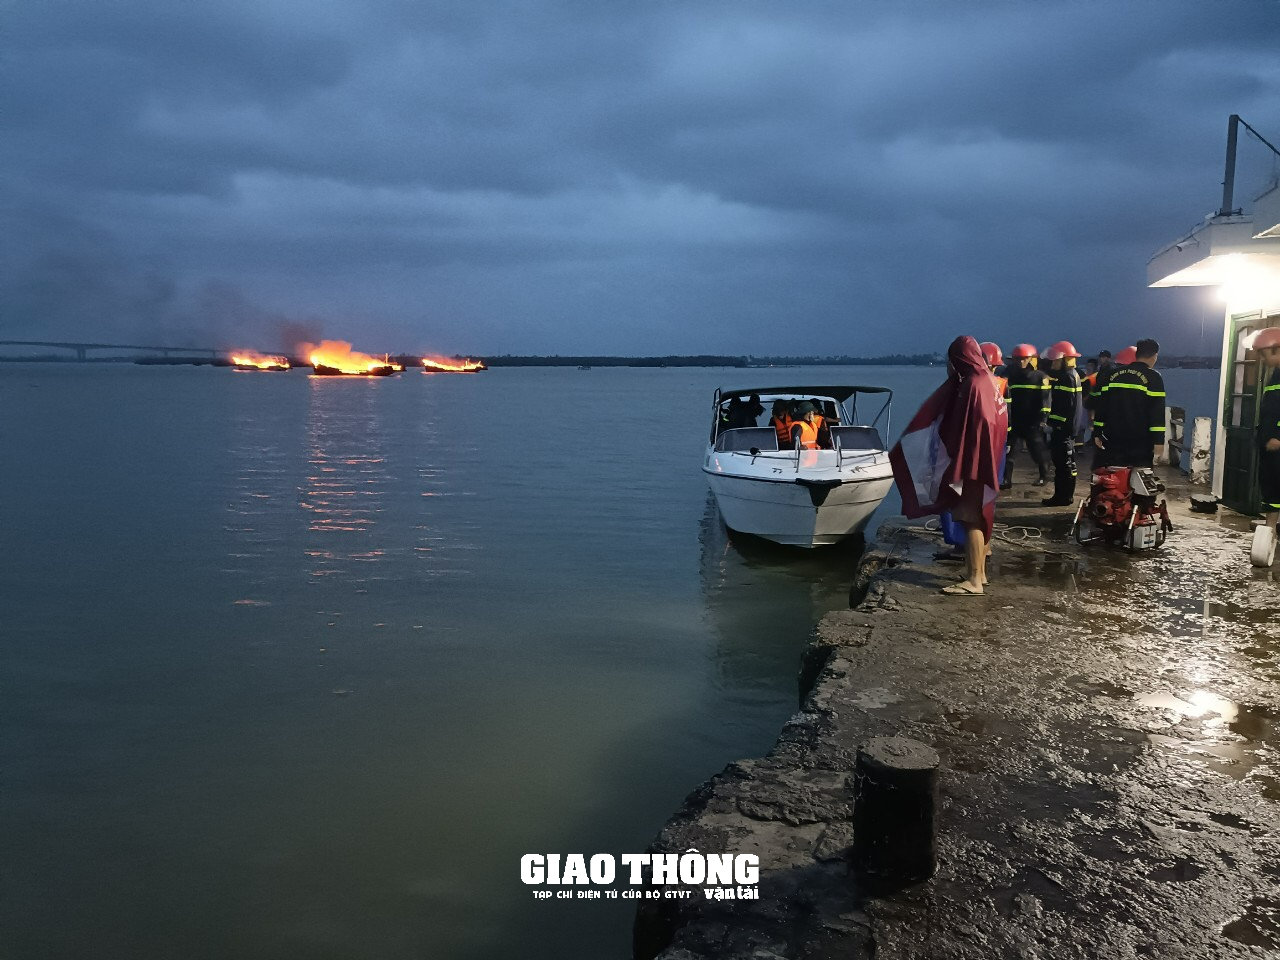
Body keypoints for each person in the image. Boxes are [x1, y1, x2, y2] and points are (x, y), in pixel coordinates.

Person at [890, 336, 1007, 595]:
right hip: (984, 458)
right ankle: (979, 574)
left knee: (969, 516)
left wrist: (964, 462)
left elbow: (976, 427)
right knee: (977, 514)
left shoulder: (974, 386)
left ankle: (974, 581)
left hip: (973, 462)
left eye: (951, 360)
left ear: (959, 360)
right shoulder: (987, 382)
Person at [1093, 338, 1165, 468]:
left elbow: (1102, 405)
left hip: (1113, 438)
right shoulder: (1153, 377)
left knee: (1114, 477)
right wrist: (1159, 442)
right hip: (1140, 442)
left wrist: (1097, 431)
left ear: (1137, 355)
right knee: (1139, 481)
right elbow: (1157, 413)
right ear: (1154, 356)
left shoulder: (1112, 374)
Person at [1001, 343, 1051, 488]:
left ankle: (1044, 476)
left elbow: (1046, 400)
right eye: (1018, 359)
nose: (1021, 362)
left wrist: (1043, 420)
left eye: (1024, 359)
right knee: (1009, 452)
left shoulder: (1040, 377)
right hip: (1015, 420)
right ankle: (1006, 480)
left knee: (1038, 451)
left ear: (1031, 359)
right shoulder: (1009, 376)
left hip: (1033, 421)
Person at [1042, 341, 1083, 506]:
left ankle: (1063, 497)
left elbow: (1064, 407)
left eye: (1056, 360)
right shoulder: (1073, 375)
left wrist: (1052, 425)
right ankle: (1065, 496)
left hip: (1062, 430)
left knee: (1063, 466)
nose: (1053, 363)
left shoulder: (1067, 378)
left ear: (1065, 359)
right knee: (1068, 465)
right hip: (1069, 429)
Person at [1253, 328, 1280, 537]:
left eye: (1263, 354)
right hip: (1269, 446)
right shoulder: (1275, 374)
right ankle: (1270, 528)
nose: (1261, 359)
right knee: (1271, 486)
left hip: (1277, 444)